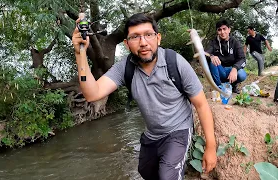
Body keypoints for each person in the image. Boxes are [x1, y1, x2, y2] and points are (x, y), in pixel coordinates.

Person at [72, 13, 217, 180]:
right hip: (152, 134)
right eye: (135, 37)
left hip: (179, 130)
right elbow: (92, 94)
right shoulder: (125, 68)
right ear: (126, 44)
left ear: (158, 38)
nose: (143, 43)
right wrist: (80, 53)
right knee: (146, 172)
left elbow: (201, 104)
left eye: (148, 35)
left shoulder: (175, 62)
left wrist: (210, 147)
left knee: (167, 175)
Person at [205, 19, 247, 94]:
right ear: (217, 31)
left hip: (231, 69)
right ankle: (218, 87)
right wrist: (211, 56)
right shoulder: (213, 42)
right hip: (220, 70)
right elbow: (204, 54)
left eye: (224, 29)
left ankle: (233, 85)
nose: (222, 32)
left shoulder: (235, 42)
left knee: (241, 74)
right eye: (219, 30)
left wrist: (235, 68)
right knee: (212, 62)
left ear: (229, 30)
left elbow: (243, 59)